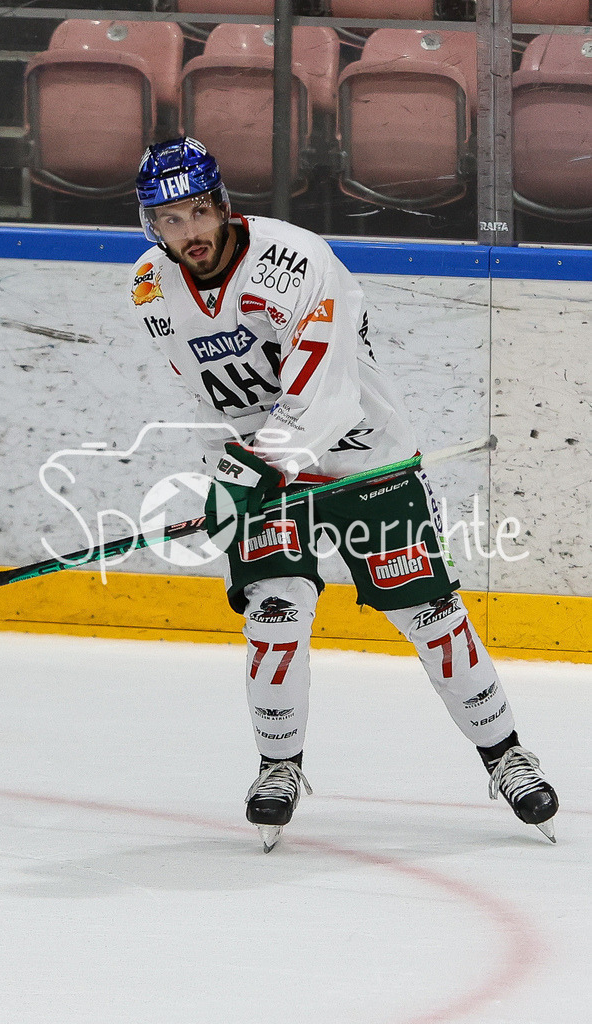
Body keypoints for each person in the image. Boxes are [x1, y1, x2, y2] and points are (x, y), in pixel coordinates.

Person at [130, 136, 558, 851]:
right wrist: (222, 474)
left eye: (197, 212)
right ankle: (278, 768)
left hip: (366, 462)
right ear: (151, 226)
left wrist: (249, 473)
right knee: (273, 612)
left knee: (429, 612)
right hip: (265, 472)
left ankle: (505, 754)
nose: (189, 232)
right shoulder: (150, 285)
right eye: (169, 220)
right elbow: (205, 397)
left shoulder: (297, 262)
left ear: (221, 205)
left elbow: (322, 398)